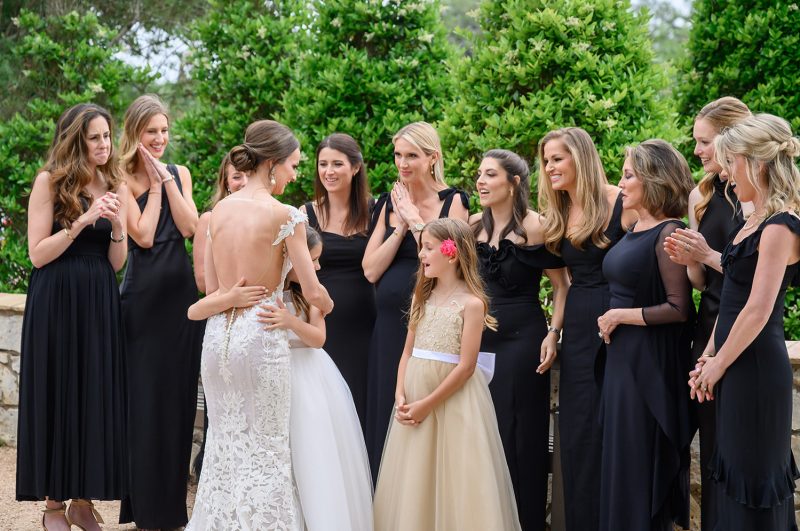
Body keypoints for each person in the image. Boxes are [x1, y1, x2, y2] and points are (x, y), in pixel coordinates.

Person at [184, 119, 334, 529]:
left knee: (223, 446)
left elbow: (213, 292)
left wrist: (231, 300)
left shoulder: (218, 213)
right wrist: (326, 301)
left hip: (218, 338)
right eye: (294, 165)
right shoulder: (286, 215)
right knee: (267, 448)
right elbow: (312, 287)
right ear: (272, 164)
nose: (295, 174)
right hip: (262, 333)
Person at [16, 103, 128, 531]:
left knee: (91, 391)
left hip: (98, 299)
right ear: (75, 140)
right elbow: (37, 254)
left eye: (107, 136)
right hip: (57, 298)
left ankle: (82, 503)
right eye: (95, 137)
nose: (105, 145)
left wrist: (117, 227)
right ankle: (52, 508)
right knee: (59, 388)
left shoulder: (111, 181)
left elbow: (116, 261)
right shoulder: (50, 182)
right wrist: (83, 220)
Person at [373, 218, 521, 531]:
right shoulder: (420, 298)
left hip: (451, 399)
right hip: (414, 396)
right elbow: (407, 352)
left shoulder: (472, 304)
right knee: (416, 475)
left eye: (428, 248)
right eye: (421, 249)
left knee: (456, 477)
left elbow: (467, 366)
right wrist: (401, 394)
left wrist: (428, 403)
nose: (421, 256)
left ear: (451, 252)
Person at [689, 114, 800, 530]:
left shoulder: (781, 226)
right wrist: (709, 355)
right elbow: (731, 299)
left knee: (753, 481)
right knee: (732, 474)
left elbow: (757, 309)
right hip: (733, 363)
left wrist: (718, 365)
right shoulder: (750, 220)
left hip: (755, 369)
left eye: (732, 162)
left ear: (757, 163)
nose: (728, 173)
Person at [537, 128, 635, 531]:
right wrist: (553, 332)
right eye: (546, 161)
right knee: (577, 433)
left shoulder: (622, 202)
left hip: (621, 324)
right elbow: (562, 285)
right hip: (577, 327)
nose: (549, 167)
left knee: (615, 430)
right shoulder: (556, 213)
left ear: (580, 157)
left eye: (557, 158)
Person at [662, 96, 751, 530]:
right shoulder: (704, 194)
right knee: (711, 446)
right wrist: (689, 259)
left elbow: (753, 277)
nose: (697, 151)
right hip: (706, 329)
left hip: (742, 333)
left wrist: (708, 254)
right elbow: (702, 283)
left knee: (739, 451)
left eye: (704, 141)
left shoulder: (757, 200)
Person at [597, 140, 695, 530]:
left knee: (639, 465)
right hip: (622, 361)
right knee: (619, 462)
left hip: (648, 368)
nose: (621, 184)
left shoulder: (670, 232)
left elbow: (679, 308)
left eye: (628, 175)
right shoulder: (636, 226)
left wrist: (622, 314)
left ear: (652, 180)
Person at [362, 122, 468, 480]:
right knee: (385, 411)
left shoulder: (453, 201)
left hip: (432, 325)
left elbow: (452, 256)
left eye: (412, 156)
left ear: (432, 157)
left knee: (420, 413)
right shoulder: (387, 202)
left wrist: (416, 218)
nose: (402, 164)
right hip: (389, 324)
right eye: (398, 155)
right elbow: (370, 270)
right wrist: (400, 227)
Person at [471, 149, 569, 530]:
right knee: (482, 430)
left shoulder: (537, 226)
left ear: (513, 182)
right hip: (478, 343)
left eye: (490, 174)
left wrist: (553, 332)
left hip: (522, 340)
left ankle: (524, 520)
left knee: (519, 433)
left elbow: (563, 286)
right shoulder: (472, 227)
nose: (480, 181)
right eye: (479, 173)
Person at [118, 94, 203, 530]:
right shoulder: (119, 177)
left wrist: (167, 182)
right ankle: (145, 510)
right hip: (143, 302)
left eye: (165, 130)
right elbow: (145, 236)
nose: (160, 139)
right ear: (133, 133)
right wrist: (151, 186)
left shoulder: (180, 173)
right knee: (145, 403)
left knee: (178, 403)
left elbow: (189, 227)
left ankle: (173, 511)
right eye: (151, 131)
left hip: (181, 302)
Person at [256, 225, 373, 530]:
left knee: (312, 450)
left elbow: (318, 339)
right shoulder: (264, 291)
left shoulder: (313, 294)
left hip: (309, 377)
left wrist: (290, 322)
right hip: (273, 377)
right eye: (313, 259)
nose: (318, 267)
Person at [301, 133, 375, 429]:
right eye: (322, 164)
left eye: (337, 164)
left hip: (367, 323)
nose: (328, 171)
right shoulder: (306, 214)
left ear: (355, 167)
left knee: (362, 398)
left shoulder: (376, 211)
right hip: (323, 322)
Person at [194, 151, 249, 293]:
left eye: (250, 175)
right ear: (227, 183)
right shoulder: (209, 219)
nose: (245, 183)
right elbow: (202, 281)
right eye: (237, 177)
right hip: (224, 303)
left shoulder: (271, 216)